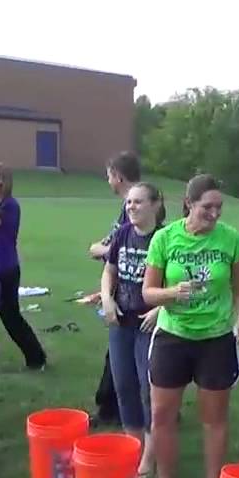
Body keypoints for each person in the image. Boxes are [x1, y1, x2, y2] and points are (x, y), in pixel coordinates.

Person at [140, 174, 239, 478]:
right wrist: (172, 293)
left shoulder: (231, 240)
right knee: (162, 415)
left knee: (214, 419)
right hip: (173, 337)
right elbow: (148, 293)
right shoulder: (165, 238)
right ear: (188, 204)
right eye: (207, 207)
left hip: (215, 340)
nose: (214, 214)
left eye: (219, 207)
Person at [100, 182, 166, 476]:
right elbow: (110, 270)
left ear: (155, 204)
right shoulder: (122, 234)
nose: (131, 207)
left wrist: (161, 308)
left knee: (148, 389)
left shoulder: (165, 239)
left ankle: (149, 458)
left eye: (138, 202)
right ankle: (133, 446)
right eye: (129, 203)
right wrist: (106, 299)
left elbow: (180, 282)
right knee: (123, 384)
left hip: (149, 325)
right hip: (120, 322)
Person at [0, 163, 47, 372]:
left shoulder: (9, 205)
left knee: (10, 317)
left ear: (0, 181)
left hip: (4, 268)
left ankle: (36, 357)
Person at [89, 151, 141, 425]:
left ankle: (109, 409)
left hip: (133, 294)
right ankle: (111, 406)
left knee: (125, 355)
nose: (107, 180)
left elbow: (127, 248)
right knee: (123, 354)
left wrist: (100, 249)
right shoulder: (128, 205)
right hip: (121, 288)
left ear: (118, 176)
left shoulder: (136, 204)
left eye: (109, 175)